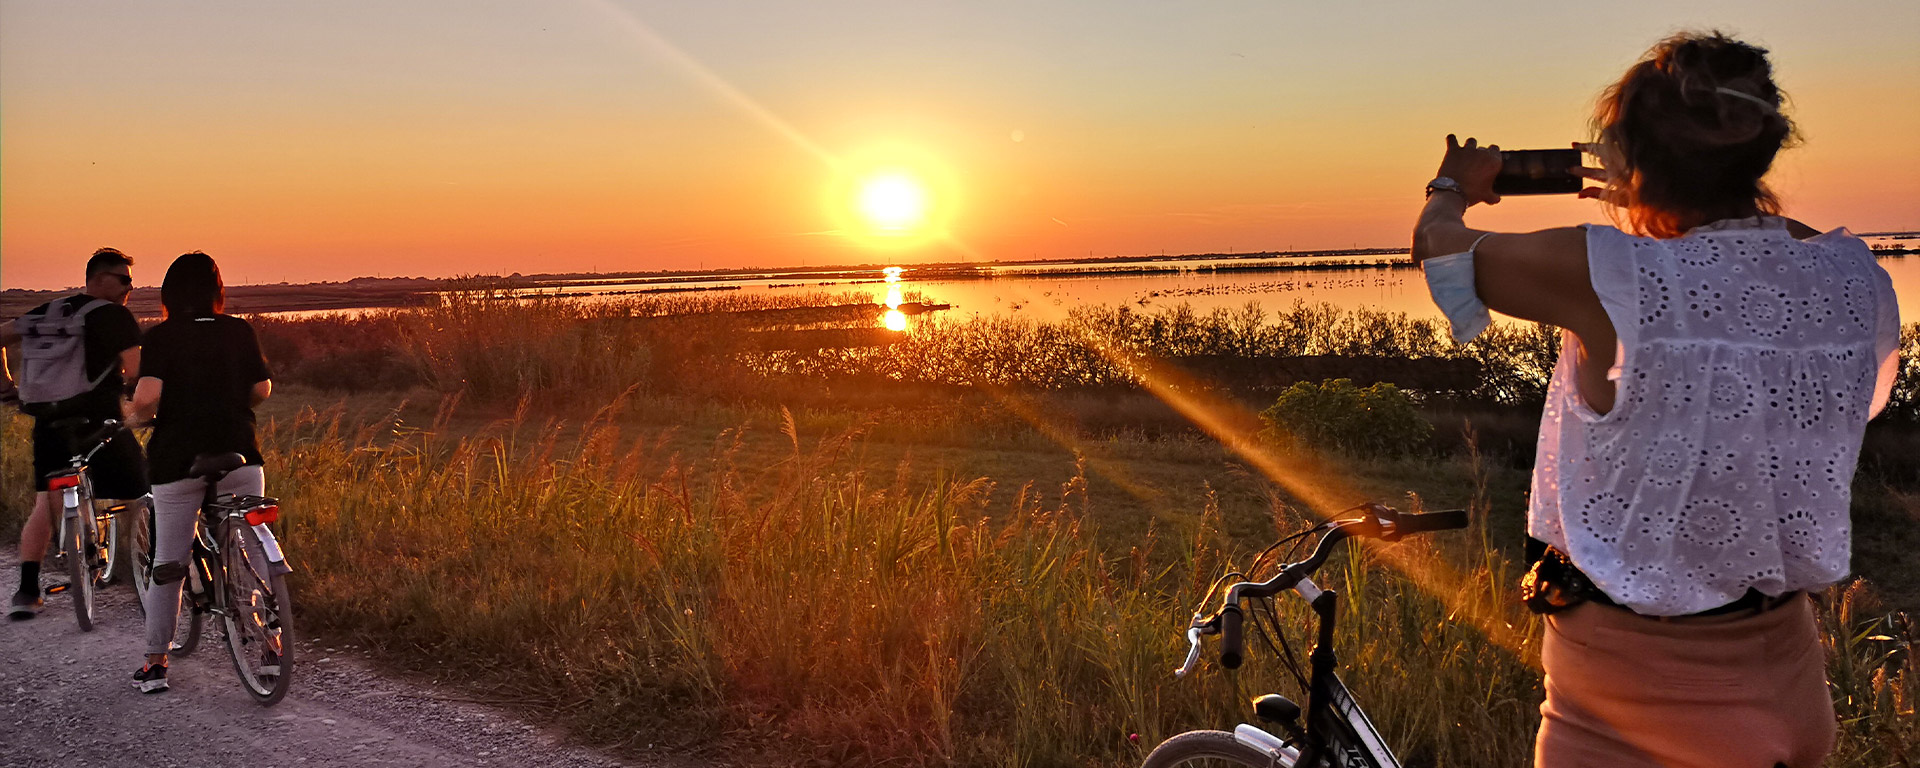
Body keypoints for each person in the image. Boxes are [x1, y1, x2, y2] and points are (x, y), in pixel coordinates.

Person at [1410, 32, 1900, 767]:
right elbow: (1775, 254)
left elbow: (1443, 248)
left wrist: (1451, 183)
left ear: (1632, 158)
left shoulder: (1610, 271)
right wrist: (1677, 200)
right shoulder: (1850, 276)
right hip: (1791, 688)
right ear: (1762, 147)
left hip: (1634, 712)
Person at [127, 252, 274, 694]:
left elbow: (147, 397)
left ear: (170, 292)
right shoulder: (238, 329)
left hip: (178, 459)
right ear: (217, 290)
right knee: (252, 548)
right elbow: (261, 388)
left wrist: (136, 418)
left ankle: (155, 664)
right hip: (240, 455)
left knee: (169, 562)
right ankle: (271, 646)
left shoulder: (162, 337)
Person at [0, 248, 151, 619]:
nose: (130, 287)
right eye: (123, 278)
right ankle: (155, 575)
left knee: (46, 502)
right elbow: (135, 372)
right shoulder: (115, 316)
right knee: (142, 495)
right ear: (98, 279)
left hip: (49, 422)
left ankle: (26, 591)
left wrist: (6, 384)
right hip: (100, 423)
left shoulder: (50, 311)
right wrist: (137, 403)